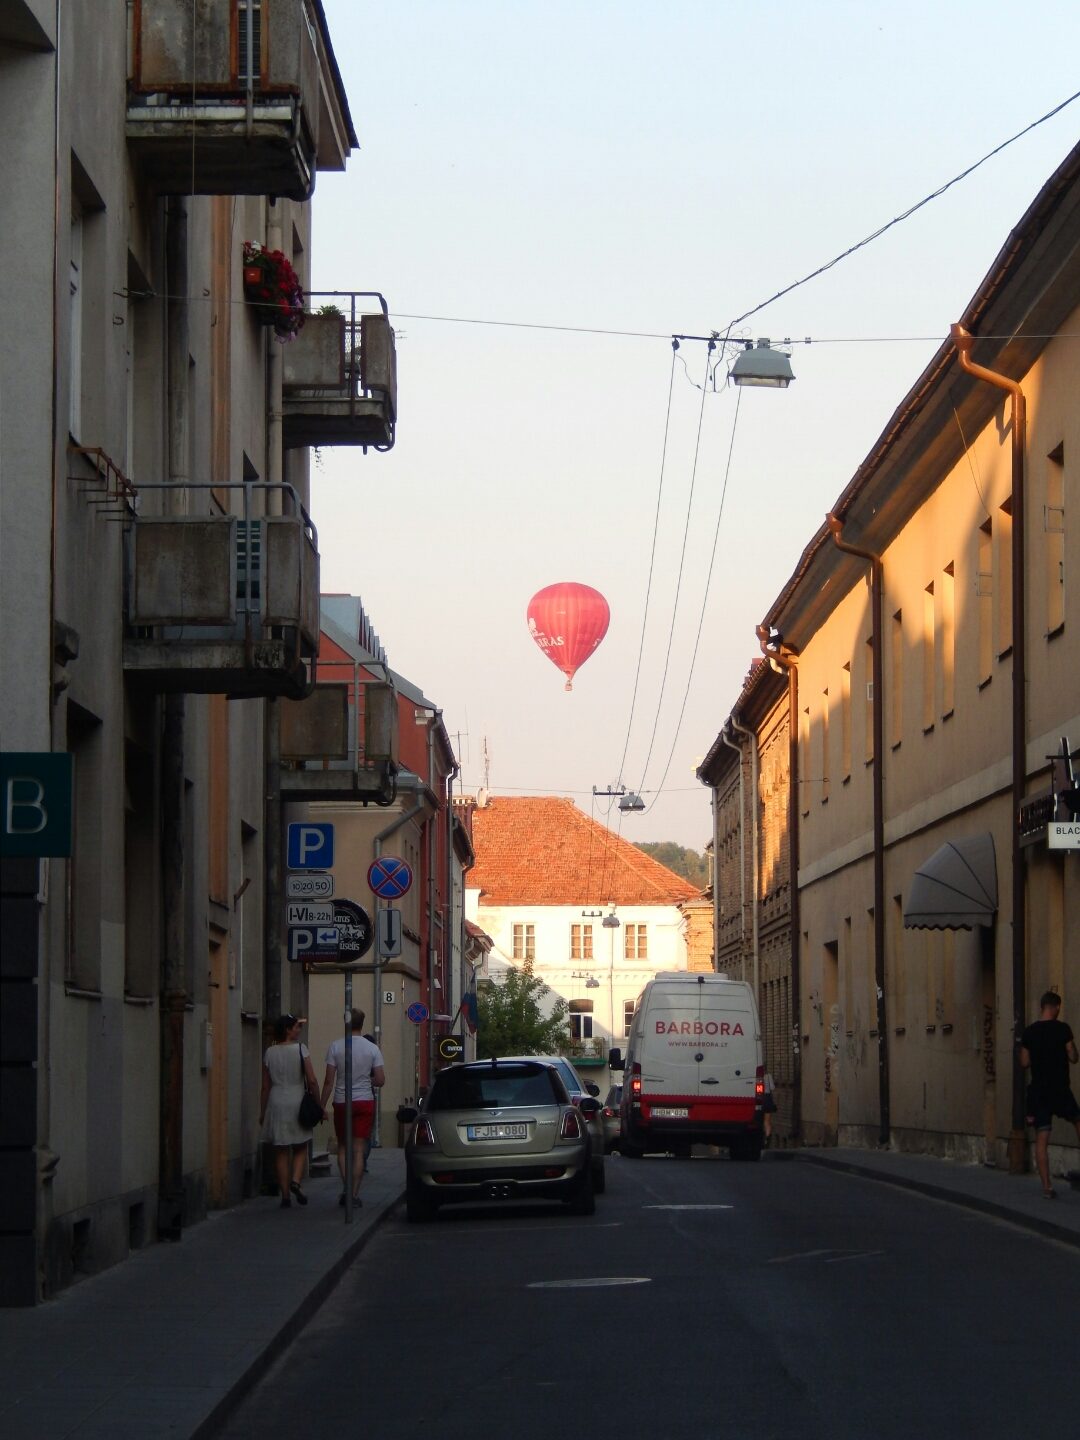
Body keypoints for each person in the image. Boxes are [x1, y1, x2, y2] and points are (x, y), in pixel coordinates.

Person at [320, 1010, 385, 1207]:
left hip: (342, 1101)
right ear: (362, 1024)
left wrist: (321, 1105)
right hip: (364, 1101)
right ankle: (354, 1194)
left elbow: (329, 1081)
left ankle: (346, 1189)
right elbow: (380, 1080)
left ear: (345, 1023)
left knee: (342, 1146)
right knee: (358, 1149)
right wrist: (366, 1080)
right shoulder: (372, 1048)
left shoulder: (336, 1046)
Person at [1019, 990, 1080, 1199]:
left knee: (1042, 1138)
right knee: (1077, 1120)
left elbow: (1024, 1062)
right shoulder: (1063, 1029)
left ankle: (1047, 1187)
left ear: (1042, 1007)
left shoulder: (1029, 1032)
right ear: (1056, 1007)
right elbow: (1073, 1056)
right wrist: (1070, 1049)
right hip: (1060, 1088)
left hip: (1040, 1091)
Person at [260, 1014, 322, 1208]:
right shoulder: (301, 1049)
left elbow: (265, 1086)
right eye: (296, 1027)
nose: (299, 1030)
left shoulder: (269, 1052)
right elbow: (312, 1080)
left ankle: (285, 1195)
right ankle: (295, 1180)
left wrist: (262, 1111)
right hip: (297, 1100)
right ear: (288, 1030)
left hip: (276, 1101)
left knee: (281, 1150)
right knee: (301, 1145)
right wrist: (319, 1104)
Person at [762, 1072, 777, 1146]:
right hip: (766, 1098)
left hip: (756, 1098)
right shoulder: (768, 1076)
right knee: (767, 1121)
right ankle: (767, 1139)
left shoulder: (753, 1074)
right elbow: (772, 1087)